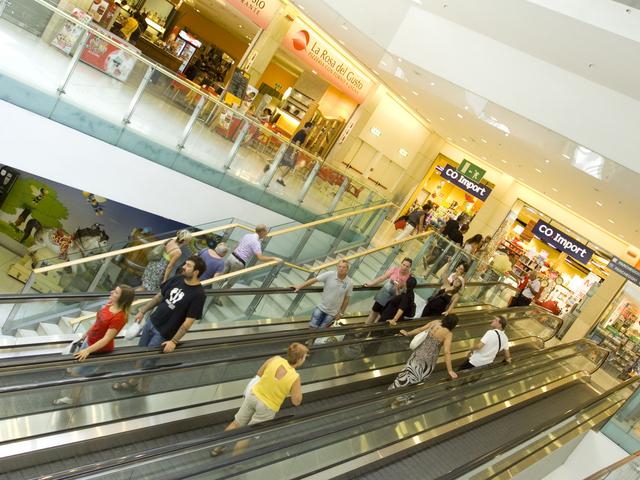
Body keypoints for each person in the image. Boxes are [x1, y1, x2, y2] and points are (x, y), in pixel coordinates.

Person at [211, 343, 309, 456]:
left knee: (237, 423)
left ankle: (217, 448)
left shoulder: (275, 359)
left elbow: (259, 373)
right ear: (300, 359)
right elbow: (296, 402)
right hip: (267, 407)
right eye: (305, 356)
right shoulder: (295, 377)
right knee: (248, 434)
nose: (305, 358)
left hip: (254, 395)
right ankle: (233, 463)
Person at [54, 285, 135, 405]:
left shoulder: (119, 317)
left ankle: (74, 399)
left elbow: (107, 339)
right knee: (75, 372)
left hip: (97, 350)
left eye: (116, 292)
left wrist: (88, 351)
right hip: (89, 342)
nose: (112, 292)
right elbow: (97, 323)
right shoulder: (109, 305)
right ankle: (74, 394)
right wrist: (85, 335)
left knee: (77, 374)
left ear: (122, 298)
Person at [389, 314, 459, 392]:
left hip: (417, 354)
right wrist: (450, 370)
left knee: (407, 372)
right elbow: (447, 352)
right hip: (428, 361)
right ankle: (404, 398)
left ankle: (393, 390)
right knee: (417, 381)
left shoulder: (435, 322)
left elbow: (420, 329)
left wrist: (408, 333)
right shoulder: (448, 334)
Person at [293, 260, 353, 331]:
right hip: (321, 308)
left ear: (347, 269)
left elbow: (346, 299)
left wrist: (341, 313)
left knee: (322, 330)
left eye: (344, 267)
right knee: (312, 327)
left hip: (332, 313)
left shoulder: (349, 282)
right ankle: (310, 341)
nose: (341, 269)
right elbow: (314, 280)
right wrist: (299, 286)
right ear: (337, 267)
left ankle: (315, 342)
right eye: (339, 266)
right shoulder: (330, 274)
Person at [363, 258, 413, 324]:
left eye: (407, 266)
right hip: (384, 294)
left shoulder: (409, 277)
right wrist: (371, 284)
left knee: (381, 317)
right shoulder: (394, 269)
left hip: (393, 299)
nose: (404, 267)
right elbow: (382, 278)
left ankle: (370, 332)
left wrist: (398, 288)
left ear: (410, 267)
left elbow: (403, 293)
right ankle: (363, 330)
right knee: (374, 313)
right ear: (401, 264)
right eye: (404, 265)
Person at [263, 122, 312, 187]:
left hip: (291, 148)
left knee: (285, 163)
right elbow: (297, 143)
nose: (311, 130)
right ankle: (277, 175)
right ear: (308, 127)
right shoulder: (302, 133)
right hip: (292, 149)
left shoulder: (303, 132)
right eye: (311, 128)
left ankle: (271, 167)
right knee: (290, 165)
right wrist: (294, 153)